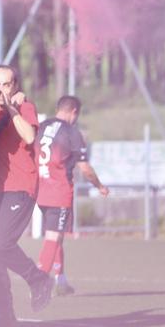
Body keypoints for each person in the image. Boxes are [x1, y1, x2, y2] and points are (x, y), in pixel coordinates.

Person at [0, 66, 53, 327]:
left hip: (21, 187)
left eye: (7, 84)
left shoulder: (25, 107)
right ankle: (5, 315)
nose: (1, 89)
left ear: (16, 86)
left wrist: (13, 108)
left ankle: (38, 278)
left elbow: (30, 135)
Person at [34, 95, 108, 296]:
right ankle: (38, 283)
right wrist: (99, 186)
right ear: (74, 111)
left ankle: (61, 280)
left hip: (40, 190)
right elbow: (85, 168)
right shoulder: (72, 132)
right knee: (53, 236)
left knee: (55, 235)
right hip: (59, 191)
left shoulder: (41, 126)